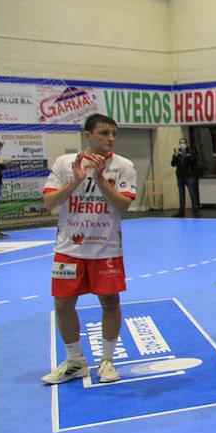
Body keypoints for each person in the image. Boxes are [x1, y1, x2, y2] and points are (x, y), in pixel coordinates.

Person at [40, 114, 138, 385]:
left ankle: (107, 361)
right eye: (104, 133)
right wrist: (75, 181)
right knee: (62, 304)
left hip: (106, 249)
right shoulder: (64, 163)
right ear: (88, 135)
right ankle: (75, 362)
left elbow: (124, 205)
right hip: (69, 248)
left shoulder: (124, 166)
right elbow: (49, 202)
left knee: (110, 302)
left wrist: (100, 179)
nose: (110, 139)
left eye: (114, 134)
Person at [170, 136, 201, 217]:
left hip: (190, 176)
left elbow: (195, 161)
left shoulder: (191, 151)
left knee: (192, 193)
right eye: (180, 143)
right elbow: (173, 164)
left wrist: (186, 156)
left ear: (186, 144)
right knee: (181, 194)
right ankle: (181, 211)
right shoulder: (178, 152)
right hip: (180, 176)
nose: (181, 145)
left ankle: (195, 211)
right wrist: (175, 156)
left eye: (183, 143)